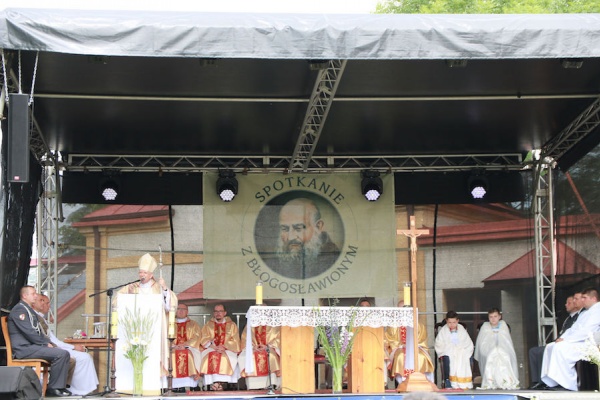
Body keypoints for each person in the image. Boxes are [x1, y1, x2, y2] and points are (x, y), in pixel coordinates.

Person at [117, 253, 178, 379]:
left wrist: (165, 288)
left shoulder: (158, 288)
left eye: (144, 273)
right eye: (140, 272)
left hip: (154, 327)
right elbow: (115, 303)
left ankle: (155, 379)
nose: (141, 275)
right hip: (135, 328)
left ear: (151, 274)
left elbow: (170, 306)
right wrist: (127, 294)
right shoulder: (131, 287)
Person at [7, 286, 71, 397]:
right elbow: (29, 332)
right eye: (33, 293)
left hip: (32, 347)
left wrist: (48, 343)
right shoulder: (19, 310)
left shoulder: (28, 309)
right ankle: (53, 388)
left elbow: (39, 332)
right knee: (61, 354)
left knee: (62, 353)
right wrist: (45, 344)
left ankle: (59, 387)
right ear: (25, 296)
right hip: (24, 348)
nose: (36, 295)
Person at [33, 294, 99, 396]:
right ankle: (77, 390)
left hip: (51, 347)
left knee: (83, 357)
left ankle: (68, 387)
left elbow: (54, 340)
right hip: (45, 348)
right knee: (83, 357)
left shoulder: (42, 319)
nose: (46, 305)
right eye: (43, 301)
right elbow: (53, 342)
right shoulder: (34, 318)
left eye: (45, 302)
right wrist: (73, 347)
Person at [541, 287, 600, 391]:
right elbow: (573, 329)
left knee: (561, 348)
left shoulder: (597, 310)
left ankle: (568, 384)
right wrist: (562, 338)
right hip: (576, 340)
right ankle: (553, 382)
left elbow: (587, 331)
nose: (582, 300)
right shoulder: (586, 313)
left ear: (594, 298)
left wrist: (566, 340)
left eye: (584, 298)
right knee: (551, 346)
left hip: (588, 343)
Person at [275, 197, 341, 279]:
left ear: (318, 226)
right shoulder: (277, 261)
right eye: (285, 229)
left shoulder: (332, 259)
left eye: (298, 228)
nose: (290, 237)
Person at [529, 292, 582, 389]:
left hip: (571, 343)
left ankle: (551, 382)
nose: (566, 305)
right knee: (534, 351)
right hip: (561, 341)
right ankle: (537, 380)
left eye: (569, 303)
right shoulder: (567, 318)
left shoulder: (580, 316)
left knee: (543, 351)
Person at [385, 301, 434, 385]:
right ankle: (402, 382)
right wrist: (400, 345)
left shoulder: (418, 324)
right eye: (401, 309)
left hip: (416, 348)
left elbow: (422, 340)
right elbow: (390, 339)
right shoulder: (393, 325)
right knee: (400, 356)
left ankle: (421, 382)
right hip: (399, 348)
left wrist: (413, 345)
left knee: (421, 357)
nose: (403, 311)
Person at [199, 304, 241, 391]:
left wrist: (224, 347)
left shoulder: (232, 325)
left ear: (225, 313)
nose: (218, 313)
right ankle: (215, 383)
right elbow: (203, 337)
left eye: (220, 311)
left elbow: (235, 339)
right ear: (213, 313)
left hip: (227, 349)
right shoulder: (208, 325)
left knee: (226, 358)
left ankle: (221, 384)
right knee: (210, 356)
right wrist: (213, 346)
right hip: (211, 348)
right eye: (216, 311)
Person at [474, 308, 519, 389]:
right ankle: (491, 381)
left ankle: (505, 381)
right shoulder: (485, 327)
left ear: (499, 317)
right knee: (492, 356)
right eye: (491, 317)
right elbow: (482, 343)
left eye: (495, 316)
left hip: (503, 350)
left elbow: (507, 341)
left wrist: (500, 349)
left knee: (504, 357)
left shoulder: (503, 325)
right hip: (488, 351)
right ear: (488, 317)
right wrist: (491, 349)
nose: (493, 319)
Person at [434, 311, 474, 389]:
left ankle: (463, 382)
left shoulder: (461, 329)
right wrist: (450, 348)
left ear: (457, 321)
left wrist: (460, 349)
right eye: (449, 322)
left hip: (461, 352)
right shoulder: (443, 331)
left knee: (466, 357)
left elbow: (468, 343)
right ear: (446, 321)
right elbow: (439, 344)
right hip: (448, 352)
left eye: (454, 322)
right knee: (447, 357)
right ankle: (448, 381)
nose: (452, 324)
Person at [238, 324, 281, 389]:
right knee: (248, 357)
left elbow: (279, 338)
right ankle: (253, 386)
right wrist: (253, 346)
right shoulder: (251, 324)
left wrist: (268, 346)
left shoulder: (273, 323)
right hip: (253, 348)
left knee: (271, 356)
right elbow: (245, 338)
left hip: (270, 347)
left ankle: (271, 384)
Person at [171, 304, 202, 392]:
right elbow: (165, 336)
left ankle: (190, 385)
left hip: (189, 348)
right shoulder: (170, 324)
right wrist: (174, 345)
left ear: (187, 312)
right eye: (179, 309)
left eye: (183, 309)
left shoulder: (193, 324)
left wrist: (184, 345)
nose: (180, 311)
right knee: (172, 355)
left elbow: (197, 337)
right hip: (174, 348)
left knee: (188, 354)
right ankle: (174, 385)